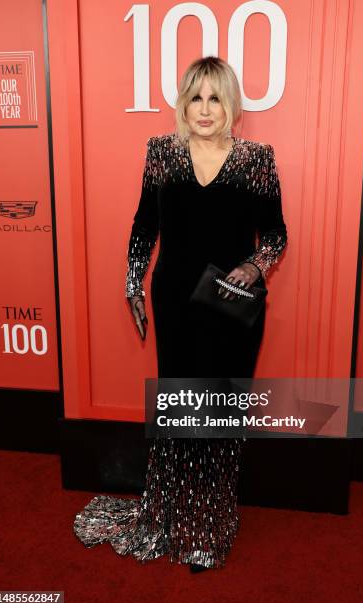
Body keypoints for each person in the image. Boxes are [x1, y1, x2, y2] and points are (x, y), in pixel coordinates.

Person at [73, 56, 287, 572]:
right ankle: (171, 516)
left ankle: (211, 526)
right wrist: (133, 282)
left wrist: (254, 268)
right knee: (181, 411)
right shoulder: (161, 155)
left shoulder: (256, 159)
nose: (205, 108)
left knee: (220, 413)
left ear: (230, 104)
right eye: (196, 97)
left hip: (228, 303)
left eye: (215, 97)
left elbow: (277, 236)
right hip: (175, 300)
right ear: (183, 103)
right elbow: (143, 226)